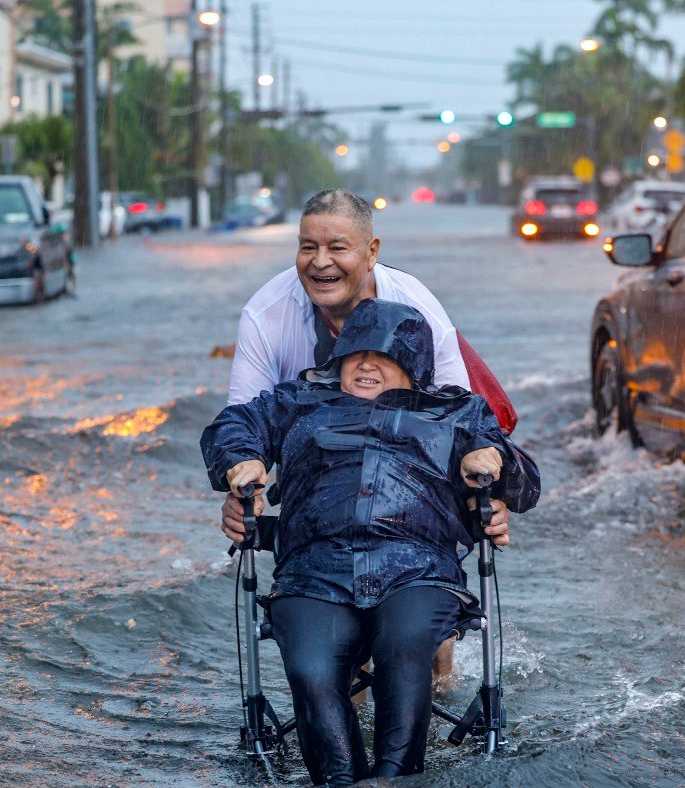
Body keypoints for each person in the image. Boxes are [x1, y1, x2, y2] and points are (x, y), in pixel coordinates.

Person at [202, 299, 540, 784]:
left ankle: (394, 778)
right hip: (312, 571)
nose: (365, 365)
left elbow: (528, 486)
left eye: (383, 356)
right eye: (355, 355)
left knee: (405, 649)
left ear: (415, 366)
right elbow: (231, 425)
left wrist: (494, 459)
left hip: (418, 570)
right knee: (311, 668)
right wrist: (240, 460)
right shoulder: (297, 401)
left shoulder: (458, 413)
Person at [219, 188, 513, 677]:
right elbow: (244, 422)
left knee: (421, 638)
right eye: (308, 247)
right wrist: (240, 485)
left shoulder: (415, 308)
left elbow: (463, 420)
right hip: (320, 472)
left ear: (372, 251)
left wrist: (487, 494)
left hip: (410, 487)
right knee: (335, 634)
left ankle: (432, 676)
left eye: (337, 247)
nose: (320, 263)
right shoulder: (266, 316)